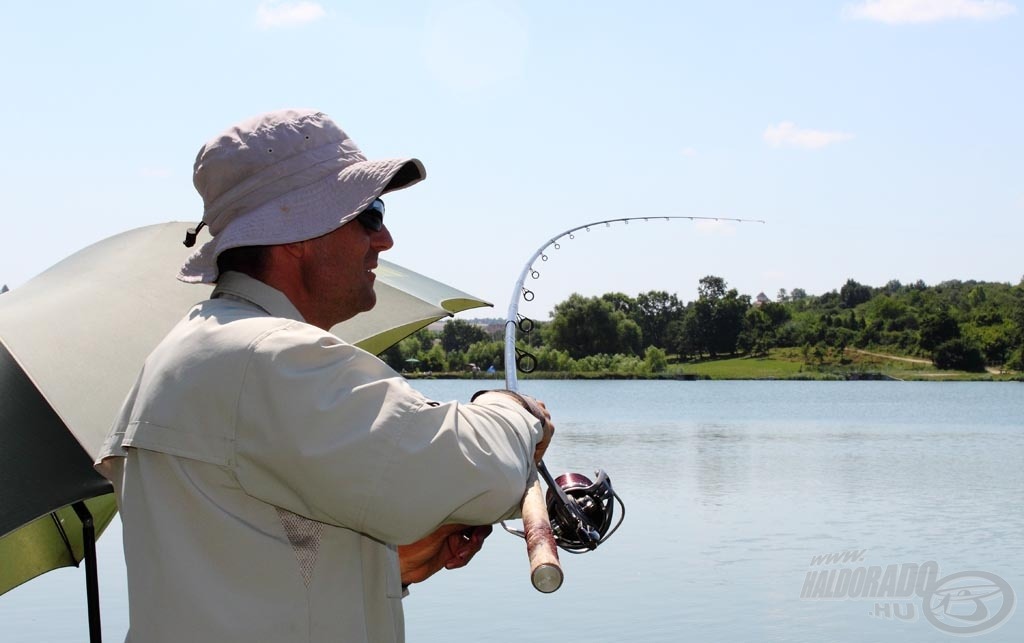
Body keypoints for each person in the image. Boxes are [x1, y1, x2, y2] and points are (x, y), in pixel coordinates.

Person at [95, 108, 554, 643]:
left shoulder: (187, 353)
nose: (383, 241)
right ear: (295, 229)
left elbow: (241, 560)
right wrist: (512, 410)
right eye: (370, 214)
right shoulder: (269, 357)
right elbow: (482, 470)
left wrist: (383, 570)